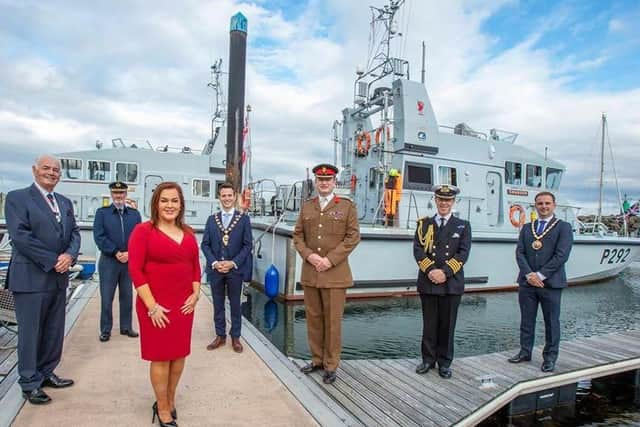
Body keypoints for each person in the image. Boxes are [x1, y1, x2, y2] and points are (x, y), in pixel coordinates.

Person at [4, 155, 80, 405]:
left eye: (56, 170)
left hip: (58, 279)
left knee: (53, 330)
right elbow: (20, 236)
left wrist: (69, 255)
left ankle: (46, 372)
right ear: (35, 170)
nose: (51, 172)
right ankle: (29, 381)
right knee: (30, 332)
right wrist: (53, 260)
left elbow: (75, 233)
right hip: (30, 278)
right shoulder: (17, 198)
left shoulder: (65, 202)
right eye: (46, 168)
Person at [128, 182, 201, 427]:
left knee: (179, 355)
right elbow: (136, 271)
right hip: (156, 306)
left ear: (181, 205)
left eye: (174, 201)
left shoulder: (189, 233)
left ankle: (170, 399)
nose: (170, 205)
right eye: (164, 200)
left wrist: (196, 294)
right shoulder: (143, 231)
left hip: (183, 306)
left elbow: (195, 267)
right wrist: (152, 306)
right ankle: (161, 407)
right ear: (156, 204)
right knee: (160, 357)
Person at [292, 163, 360, 385]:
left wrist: (330, 260)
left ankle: (331, 365)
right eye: (320, 179)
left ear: (334, 182)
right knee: (314, 319)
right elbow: (298, 236)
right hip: (311, 272)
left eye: (328, 179)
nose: (323, 183)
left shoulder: (347, 206)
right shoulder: (307, 207)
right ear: (315, 182)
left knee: (332, 322)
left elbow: (353, 237)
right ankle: (317, 360)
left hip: (335, 274)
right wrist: (309, 256)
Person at [508, 191, 573, 373]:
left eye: (547, 203)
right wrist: (529, 274)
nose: (543, 206)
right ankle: (525, 351)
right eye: (540, 203)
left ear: (554, 205)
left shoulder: (563, 227)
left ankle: (550, 358)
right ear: (535, 205)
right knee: (526, 320)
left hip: (550, 283)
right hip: (527, 283)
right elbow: (520, 253)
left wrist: (541, 275)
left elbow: (561, 255)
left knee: (551, 322)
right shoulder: (528, 228)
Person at [413, 184, 471, 379]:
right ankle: (428, 360)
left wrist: (444, 273)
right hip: (428, 282)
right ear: (435, 200)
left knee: (447, 326)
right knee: (429, 324)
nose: (444, 203)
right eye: (440, 199)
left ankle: (445, 362)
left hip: (450, 283)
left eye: (448, 200)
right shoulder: (424, 224)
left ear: (453, 202)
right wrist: (431, 271)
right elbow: (418, 251)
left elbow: (463, 254)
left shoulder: (463, 226)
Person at [201, 182, 253, 353]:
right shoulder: (211, 219)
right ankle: (220, 335)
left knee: (236, 305)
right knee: (218, 304)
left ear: (235, 196)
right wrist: (215, 263)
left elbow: (247, 245)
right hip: (216, 269)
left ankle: (235, 336)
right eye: (223, 195)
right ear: (219, 197)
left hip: (235, 270)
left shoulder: (243, 219)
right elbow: (205, 245)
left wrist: (232, 262)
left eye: (230, 195)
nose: (227, 198)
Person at [93, 181, 142, 342]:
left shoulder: (134, 215)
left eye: (121, 193)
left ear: (126, 194)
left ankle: (126, 327)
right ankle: (106, 329)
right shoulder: (102, 213)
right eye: (115, 193)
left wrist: (129, 253)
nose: (118, 196)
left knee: (127, 296)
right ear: (111, 194)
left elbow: (138, 237)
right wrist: (115, 252)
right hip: (109, 261)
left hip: (128, 261)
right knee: (107, 297)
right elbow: (99, 237)